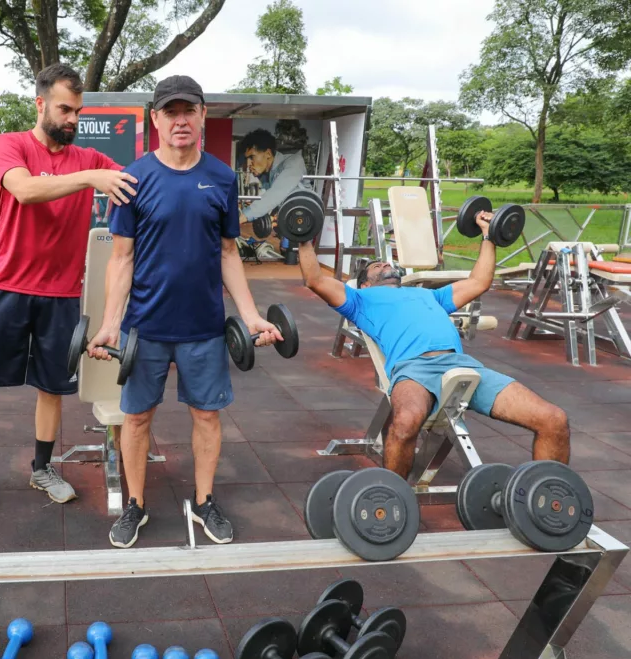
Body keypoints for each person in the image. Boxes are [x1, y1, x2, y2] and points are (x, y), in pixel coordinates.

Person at [87, 75, 281, 549]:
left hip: (203, 328)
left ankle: (204, 499)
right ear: (155, 119)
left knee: (208, 417)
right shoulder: (134, 179)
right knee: (135, 419)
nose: (179, 120)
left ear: (202, 116)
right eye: (169, 112)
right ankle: (135, 504)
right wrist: (111, 324)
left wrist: (251, 315)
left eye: (187, 111)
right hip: (146, 327)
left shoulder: (220, 176)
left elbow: (229, 253)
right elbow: (121, 258)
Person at [0, 64, 137, 503]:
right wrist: (89, 179)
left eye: (78, 112)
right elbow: (24, 190)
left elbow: (137, 182)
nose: (73, 120)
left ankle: (42, 469)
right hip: (8, 287)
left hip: (61, 294)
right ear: (40, 103)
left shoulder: (87, 158)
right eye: (65, 109)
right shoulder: (10, 145)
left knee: (51, 387)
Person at [298, 211, 570, 478]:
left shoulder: (429, 295)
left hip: (461, 365)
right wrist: (304, 238)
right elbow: (315, 279)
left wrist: (489, 236)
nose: (386, 266)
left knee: (553, 420)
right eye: (377, 266)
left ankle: (548, 500)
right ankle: (391, 501)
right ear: (365, 283)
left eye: (387, 264)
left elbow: (479, 282)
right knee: (404, 425)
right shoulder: (359, 301)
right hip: (414, 370)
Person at [237, 128, 307, 256]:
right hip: (289, 228)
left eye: (252, 157)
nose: (249, 164)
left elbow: (275, 194)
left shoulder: (293, 163)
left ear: (268, 154)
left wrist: (242, 217)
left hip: (306, 225)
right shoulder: (268, 174)